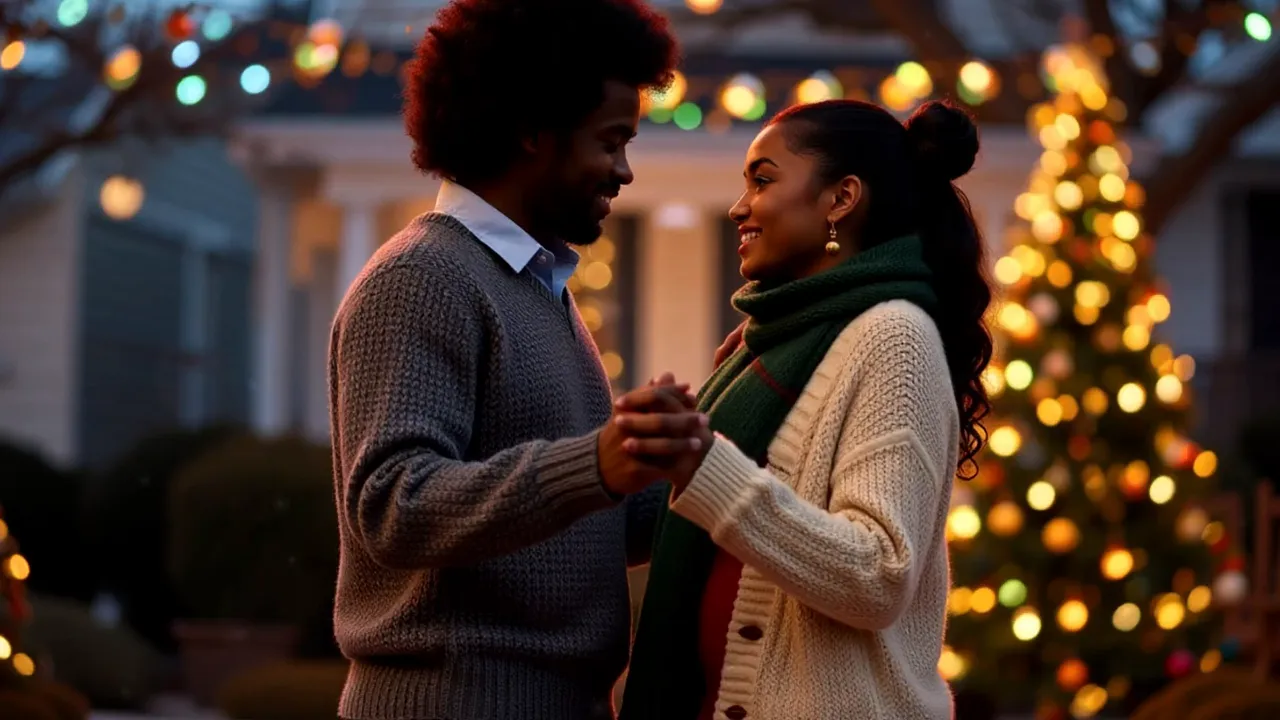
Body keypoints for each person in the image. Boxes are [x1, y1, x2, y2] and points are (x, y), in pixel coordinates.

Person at [326, 2, 685, 718]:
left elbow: (580, 520)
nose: (623, 171)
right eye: (610, 142)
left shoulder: (533, 285)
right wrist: (596, 465)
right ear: (531, 131)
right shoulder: (423, 278)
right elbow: (393, 504)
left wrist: (695, 453)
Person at [618, 99, 995, 719]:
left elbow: (878, 572)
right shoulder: (765, 348)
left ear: (841, 198)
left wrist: (705, 464)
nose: (740, 206)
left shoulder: (893, 337)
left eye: (763, 180)